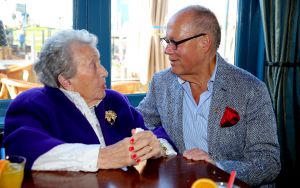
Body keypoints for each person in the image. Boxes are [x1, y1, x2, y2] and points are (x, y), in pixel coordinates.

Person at [137, 5, 280, 187]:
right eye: (167, 41)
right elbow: (138, 123)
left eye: (176, 43)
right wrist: (162, 146)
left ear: (204, 42)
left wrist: (217, 167)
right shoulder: (161, 83)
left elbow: (269, 162)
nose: (167, 50)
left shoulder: (251, 89)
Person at [3, 29, 176, 171]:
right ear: (66, 80)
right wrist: (104, 156)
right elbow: (22, 148)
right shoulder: (34, 103)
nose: (104, 72)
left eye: (99, 62)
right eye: (93, 65)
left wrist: (157, 146)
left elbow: (151, 132)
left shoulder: (114, 100)